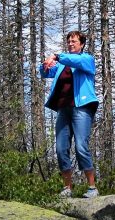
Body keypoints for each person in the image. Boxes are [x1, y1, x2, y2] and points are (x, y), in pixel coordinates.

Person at [41, 31, 100, 199]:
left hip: (81, 108)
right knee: (60, 148)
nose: (70, 43)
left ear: (81, 44)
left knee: (81, 146)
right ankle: (67, 187)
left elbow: (74, 60)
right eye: (69, 41)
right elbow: (46, 73)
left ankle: (92, 187)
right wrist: (45, 65)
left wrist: (57, 56)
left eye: (74, 41)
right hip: (63, 109)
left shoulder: (86, 60)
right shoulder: (61, 64)